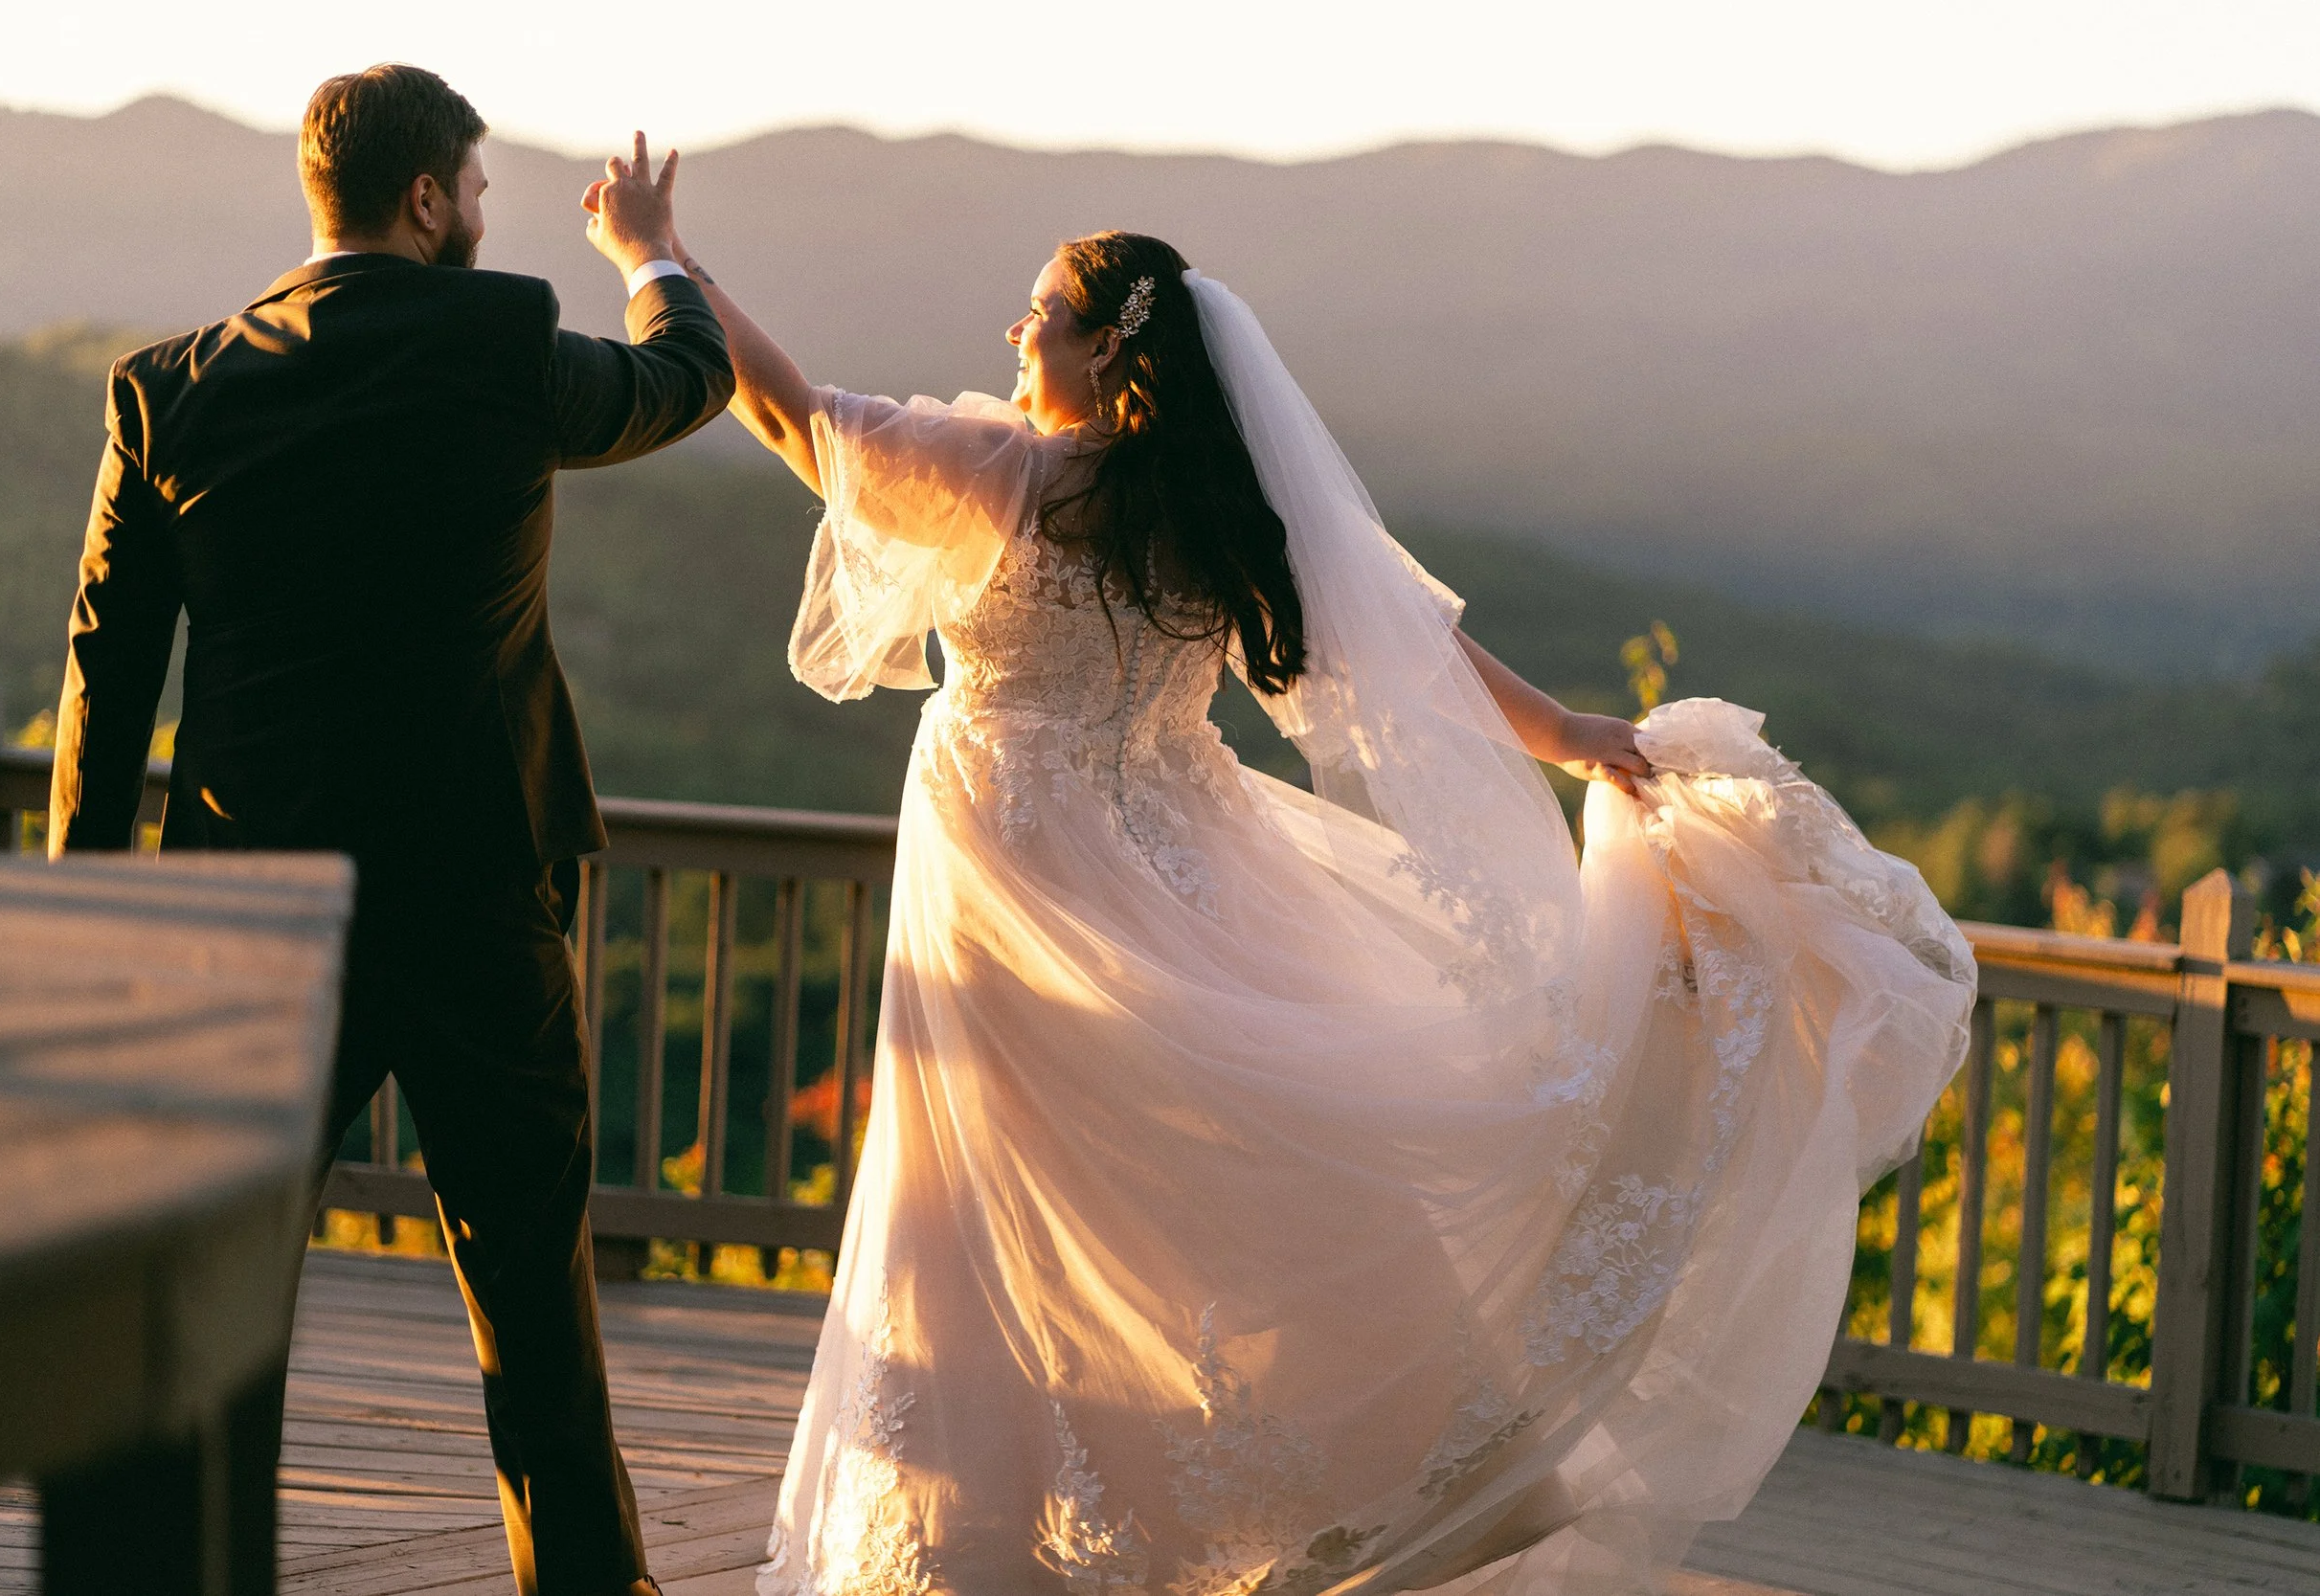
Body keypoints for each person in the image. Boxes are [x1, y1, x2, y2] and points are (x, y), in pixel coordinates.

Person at [674, 226, 1978, 1596]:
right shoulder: (1220, 513)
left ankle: (989, 1537)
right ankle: (1334, 1478)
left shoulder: (1011, 477)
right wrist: (1566, 728)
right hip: (1168, 881)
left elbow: (788, 415)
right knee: (1210, 1181)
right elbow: (1415, 655)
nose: (1015, 334)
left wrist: (664, 260)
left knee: (999, 1193)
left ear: (1107, 346)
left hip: (1023, 897)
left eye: (1039, 312)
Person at [45, 63, 734, 1596]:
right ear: (427, 199)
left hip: (246, 929)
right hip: (477, 906)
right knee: (537, 1327)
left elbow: (104, 679)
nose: (483, 216)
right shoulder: (496, 345)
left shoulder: (171, 386)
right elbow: (681, 383)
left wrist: (87, 932)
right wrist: (652, 259)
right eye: (478, 189)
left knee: (210, 1320)